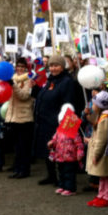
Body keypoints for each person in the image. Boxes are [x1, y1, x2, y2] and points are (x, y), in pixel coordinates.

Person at [33, 54, 77, 187]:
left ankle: (63, 179)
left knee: (61, 152)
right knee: (48, 151)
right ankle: (51, 175)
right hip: (45, 121)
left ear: (62, 67)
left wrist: (65, 123)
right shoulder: (50, 80)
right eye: (51, 65)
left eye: (56, 65)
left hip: (57, 122)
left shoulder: (67, 82)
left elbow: (69, 103)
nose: (53, 68)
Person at [85, 91, 108, 208]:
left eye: (94, 104)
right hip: (102, 153)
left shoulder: (105, 119)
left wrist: (96, 155)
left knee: (107, 175)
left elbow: (102, 140)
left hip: (104, 154)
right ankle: (101, 195)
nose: (93, 105)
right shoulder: (102, 116)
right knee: (102, 175)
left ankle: (107, 196)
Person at [4, 58, 35, 179]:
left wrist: (13, 85)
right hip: (13, 117)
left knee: (24, 146)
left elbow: (24, 95)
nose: (20, 69)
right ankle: (17, 168)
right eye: (18, 66)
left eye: (23, 67)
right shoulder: (13, 78)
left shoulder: (29, 80)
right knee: (17, 146)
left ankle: (24, 170)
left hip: (24, 117)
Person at [47, 104, 84, 196]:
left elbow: (79, 143)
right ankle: (62, 186)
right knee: (61, 172)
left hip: (70, 157)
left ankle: (70, 188)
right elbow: (54, 140)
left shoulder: (74, 132)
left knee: (69, 173)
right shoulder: (58, 131)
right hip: (60, 156)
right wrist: (51, 143)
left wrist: (80, 153)